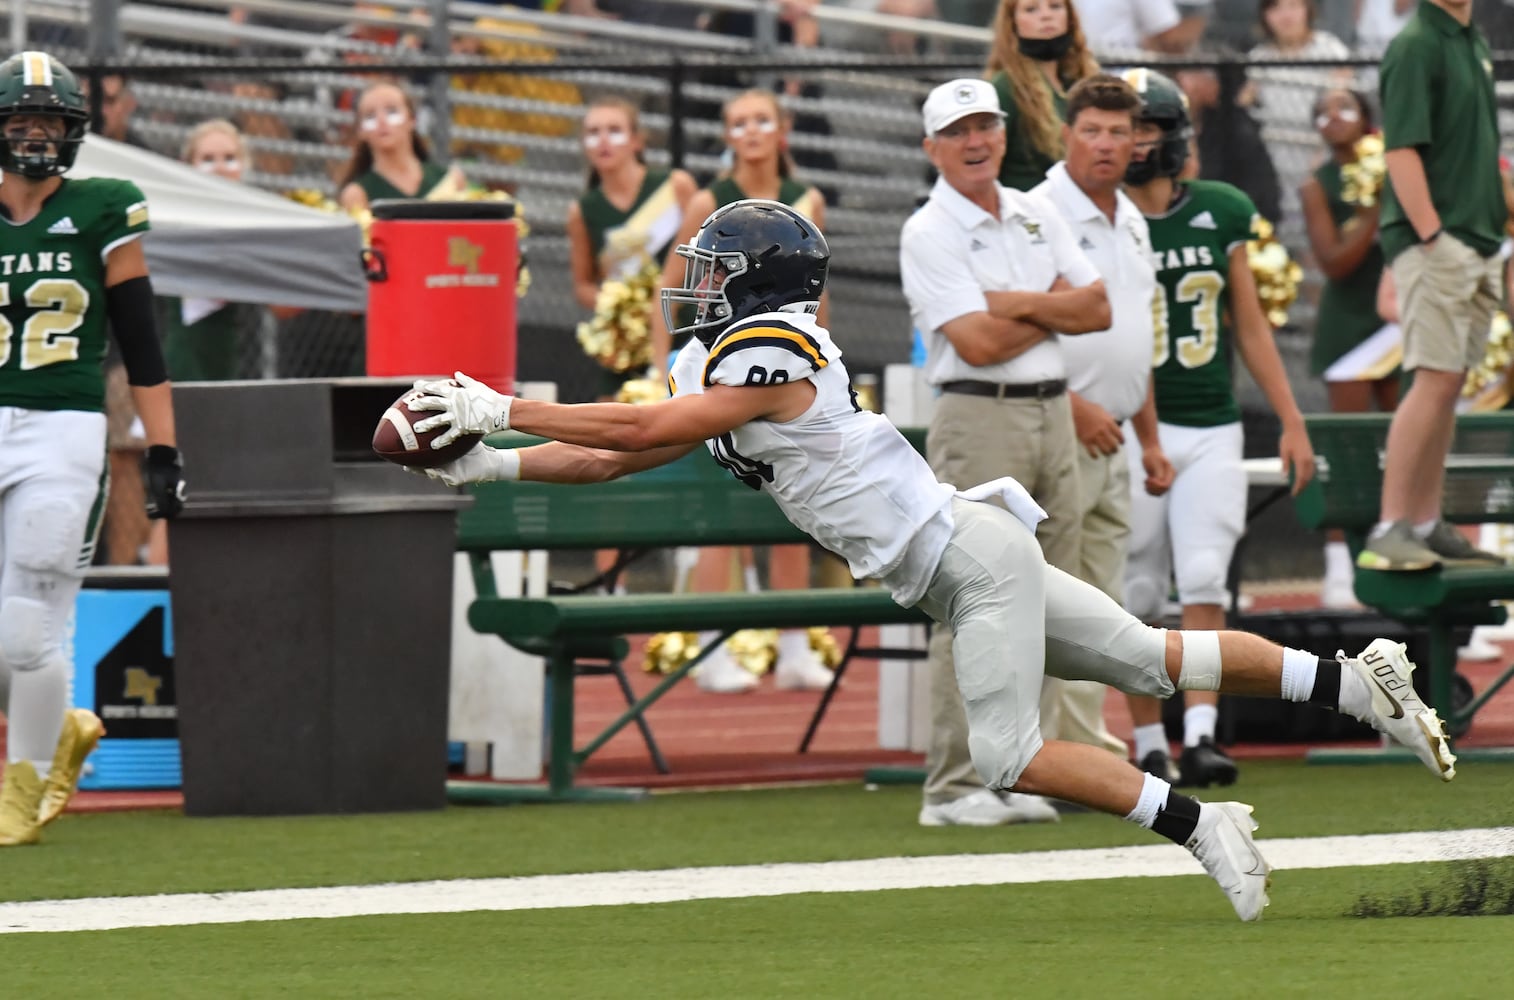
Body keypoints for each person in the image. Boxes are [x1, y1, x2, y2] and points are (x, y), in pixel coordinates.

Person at [403, 197, 1457, 923]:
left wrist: (501, 404)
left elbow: (632, 435)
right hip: (964, 548)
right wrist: (490, 467)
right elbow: (615, 457)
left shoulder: (777, 352)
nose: (698, 287)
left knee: (1005, 754)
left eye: (713, 271)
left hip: (966, 557)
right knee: (1150, 659)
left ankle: (1199, 820)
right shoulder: (720, 361)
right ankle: (1355, 681)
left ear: (758, 282)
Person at [900, 78, 1112, 827]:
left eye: (985, 124)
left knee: (1055, 599)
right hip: (978, 416)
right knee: (971, 593)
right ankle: (954, 785)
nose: (975, 140)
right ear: (932, 147)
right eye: (957, 130)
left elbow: (1098, 307)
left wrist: (1008, 300)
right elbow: (977, 344)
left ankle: (1029, 770)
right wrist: (1047, 307)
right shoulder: (928, 230)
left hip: (1052, 411)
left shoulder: (1033, 209)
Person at [0, 51, 185, 846]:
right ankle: (63, 726)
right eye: (21, 122)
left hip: (61, 429)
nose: (37, 136)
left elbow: (142, 342)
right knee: (19, 633)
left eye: (51, 123)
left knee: (22, 628)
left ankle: (23, 792)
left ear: (75, 134)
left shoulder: (105, 206)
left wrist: (163, 448)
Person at [1118, 68, 1316, 787]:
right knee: (1135, 593)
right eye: (1125, 127)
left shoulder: (1222, 209)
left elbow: (1251, 325)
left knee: (1205, 580)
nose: (1137, 142)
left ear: (1174, 137)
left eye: (1148, 127)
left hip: (1210, 421)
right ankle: (1148, 746)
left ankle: (1199, 735)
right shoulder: (1098, 215)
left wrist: (1291, 418)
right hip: (1128, 425)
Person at [648, 88, 833, 694]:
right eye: (738, 122)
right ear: (727, 134)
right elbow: (670, 285)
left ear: (782, 130)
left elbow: (817, 296)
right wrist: (660, 366)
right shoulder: (708, 199)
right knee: (718, 516)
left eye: (761, 120)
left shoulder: (808, 201)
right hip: (724, 371)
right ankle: (708, 646)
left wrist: (820, 361)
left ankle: (794, 644)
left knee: (794, 510)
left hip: (784, 372)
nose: (750, 131)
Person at [1030, 74, 1176, 764]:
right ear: (1066, 134)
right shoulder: (1032, 215)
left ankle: (1080, 741)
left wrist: (1148, 438)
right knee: (1047, 595)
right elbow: (1011, 333)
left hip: (1115, 435)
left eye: (1121, 132)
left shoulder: (1133, 218)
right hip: (1054, 429)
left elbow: (1136, 340)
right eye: (1092, 130)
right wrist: (1076, 405)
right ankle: (1040, 747)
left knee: (1101, 602)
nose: (1107, 144)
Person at [1355, 0, 1508, 571]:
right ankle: (1390, 524)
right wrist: (1433, 235)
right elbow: (1400, 151)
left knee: (1449, 382)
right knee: (1434, 377)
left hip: (1476, 237)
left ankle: (1424, 520)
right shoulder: (1416, 42)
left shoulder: (1470, 37)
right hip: (1439, 242)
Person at [1298, 88, 1392, 608]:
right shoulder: (1316, 186)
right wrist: (1378, 208)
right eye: (1322, 111)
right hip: (1347, 328)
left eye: (1345, 108)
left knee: (1402, 444)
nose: (1333, 117)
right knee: (1350, 450)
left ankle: (1401, 558)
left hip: (1397, 317)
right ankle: (1340, 568)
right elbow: (1334, 261)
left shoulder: (1398, 167)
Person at [566, 97, 697, 400]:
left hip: (685, 326)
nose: (603, 141)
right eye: (593, 132)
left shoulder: (675, 186)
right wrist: (621, 307)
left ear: (637, 141)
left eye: (614, 130)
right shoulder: (583, 210)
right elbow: (583, 285)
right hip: (628, 343)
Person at [983, 0, 1100, 191]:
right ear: (1012, 23)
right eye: (1031, 9)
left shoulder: (1083, 82)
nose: (1046, 15)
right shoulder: (1005, 89)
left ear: (1070, 17)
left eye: (1055, 6)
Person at [336, 81, 468, 214]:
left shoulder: (450, 180)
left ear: (412, 119)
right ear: (360, 131)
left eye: (392, 111)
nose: (382, 120)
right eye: (370, 116)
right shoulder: (357, 194)